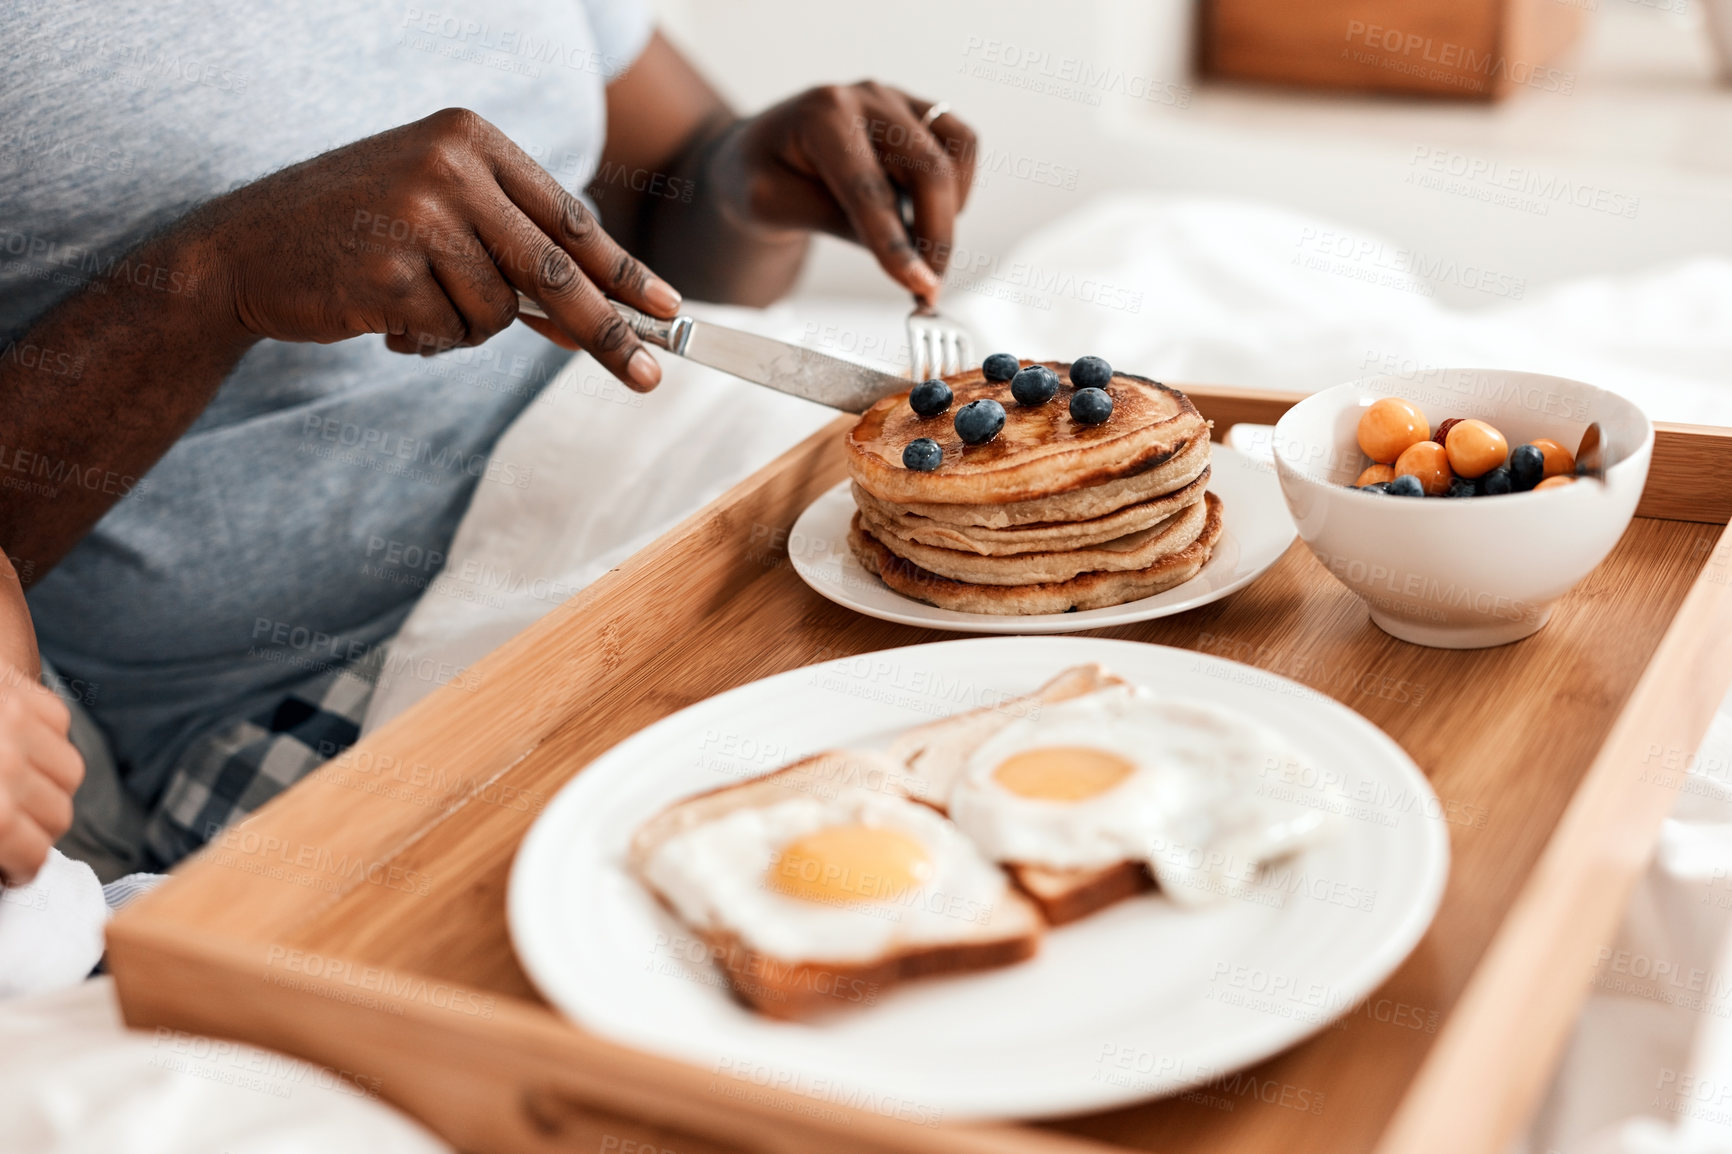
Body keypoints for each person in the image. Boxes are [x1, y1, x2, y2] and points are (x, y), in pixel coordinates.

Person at [0, 0, 976, 876]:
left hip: (660, 511)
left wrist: (738, 185)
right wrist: (216, 280)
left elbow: (669, 192)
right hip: (328, 687)